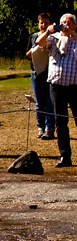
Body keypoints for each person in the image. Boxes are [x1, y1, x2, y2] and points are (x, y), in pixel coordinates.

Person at [44, 13, 77, 170]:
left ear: (75, 25)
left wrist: (72, 35)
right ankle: (65, 156)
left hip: (75, 86)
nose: (66, 25)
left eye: (69, 22)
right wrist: (48, 31)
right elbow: (39, 43)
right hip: (57, 87)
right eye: (63, 22)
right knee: (61, 123)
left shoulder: (76, 39)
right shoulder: (54, 38)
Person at [29, 14, 57, 141]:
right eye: (41, 23)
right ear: (38, 24)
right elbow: (28, 55)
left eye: (46, 23)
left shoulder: (54, 37)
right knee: (39, 102)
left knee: (49, 101)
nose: (44, 25)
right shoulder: (33, 36)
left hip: (49, 73)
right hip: (36, 73)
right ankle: (40, 127)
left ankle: (50, 128)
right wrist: (36, 48)